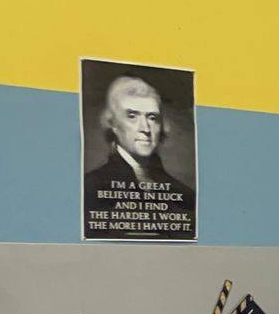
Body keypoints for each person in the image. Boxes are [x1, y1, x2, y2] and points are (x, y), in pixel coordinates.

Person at [83, 75, 195, 219]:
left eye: (152, 118)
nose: (145, 129)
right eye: (132, 116)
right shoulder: (90, 188)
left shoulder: (185, 196)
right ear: (113, 124)